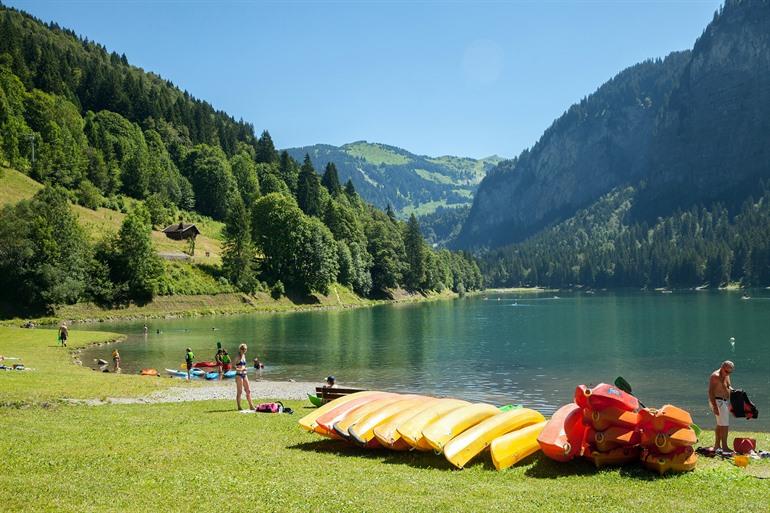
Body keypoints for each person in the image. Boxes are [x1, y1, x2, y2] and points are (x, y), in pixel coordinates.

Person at [709, 360, 735, 452]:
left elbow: (728, 386)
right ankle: (724, 446)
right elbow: (711, 392)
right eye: (726, 371)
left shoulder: (727, 375)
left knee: (720, 424)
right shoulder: (715, 376)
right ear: (722, 367)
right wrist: (715, 406)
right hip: (717, 401)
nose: (728, 373)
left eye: (730, 372)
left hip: (725, 401)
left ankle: (717, 445)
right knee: (724, 425)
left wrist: (736, 393)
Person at [235, 343, 254, 410]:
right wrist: (241, 369)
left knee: (248, 390)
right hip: (239, 375)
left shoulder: (244, 356)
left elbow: (243, 366)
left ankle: (251, 406)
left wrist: (244, 368)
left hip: (244, 374)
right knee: (240, 392)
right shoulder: (237, 357)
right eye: (243, 349)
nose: (244, 350)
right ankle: (239, 407)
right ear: (240, 349)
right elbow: (232, 367)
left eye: (245, 349)